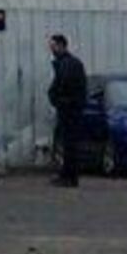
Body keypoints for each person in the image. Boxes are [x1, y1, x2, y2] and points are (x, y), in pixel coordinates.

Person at [46, 32, 90, 186]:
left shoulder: (67, 64)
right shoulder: (70, 63)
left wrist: (59, 100)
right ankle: (67, 175)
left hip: (69, 110)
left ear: (61, 46)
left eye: (53, 46)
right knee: (68, 143)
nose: (51, 50)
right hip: (70, 108)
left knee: (69, 144)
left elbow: (64, 86)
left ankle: (69, 176)